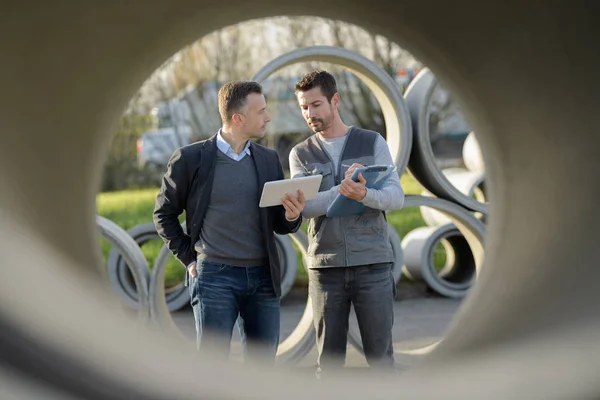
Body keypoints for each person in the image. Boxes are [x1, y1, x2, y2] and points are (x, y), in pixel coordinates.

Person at [154, 80, 305, 365]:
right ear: (238, 118)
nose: (268, 117)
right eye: (261, 111)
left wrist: (292, 215)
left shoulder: (268, 159)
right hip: (214, 279)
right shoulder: (190, 159)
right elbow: (164, 214)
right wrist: (189, 258)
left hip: (263, 277)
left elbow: (279, 223)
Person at [288, 70, 405, 377]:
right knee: (328, 365)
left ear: (335, 100)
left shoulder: (372, 141)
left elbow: (395, 197)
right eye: (304, 107)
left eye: (316, 105)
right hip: (326, 269)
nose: (309, 114)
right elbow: (307, 207)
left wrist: (365, 193)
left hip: (373, 264)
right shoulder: (300, 154)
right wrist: (339, 191)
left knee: (382, 361)